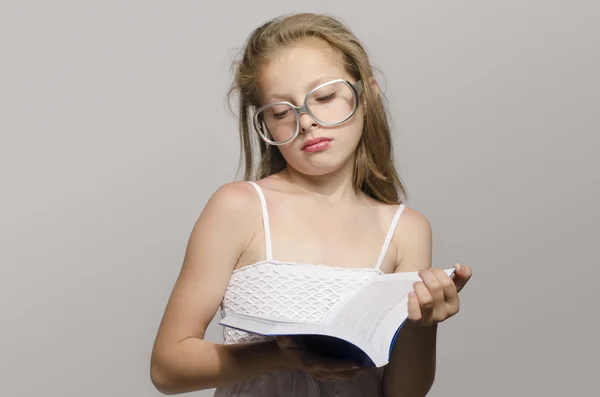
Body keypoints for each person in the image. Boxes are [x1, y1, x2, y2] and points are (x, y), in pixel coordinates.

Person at [150, 12, 472, 397]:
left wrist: (424, 324)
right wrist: (286, 355)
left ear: (365, 95)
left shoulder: (406, 230)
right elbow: (167, 369)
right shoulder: (239, 207)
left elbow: (402, 393)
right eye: (282, 112)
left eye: (324, 97)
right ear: (266, 125)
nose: (307, 122)